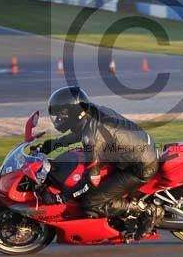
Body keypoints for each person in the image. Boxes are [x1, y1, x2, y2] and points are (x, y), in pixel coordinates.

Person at [38, 86, 164, 238]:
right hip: (136, 150)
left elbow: (92, 180)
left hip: (139, 167)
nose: (58, 119)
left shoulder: (92, 139)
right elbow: (80, 134)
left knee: (91, 202)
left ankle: (147, 211)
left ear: (74, 113)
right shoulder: (90, 114)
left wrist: (64, 197)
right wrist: (51, 145)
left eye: (62, 114)